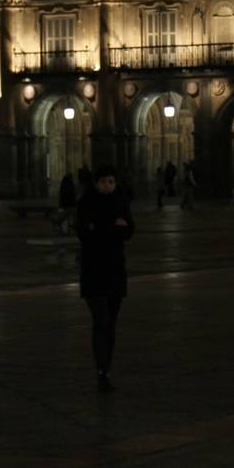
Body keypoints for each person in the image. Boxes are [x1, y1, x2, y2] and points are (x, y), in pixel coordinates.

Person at [76, 164, 134, 392]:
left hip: (115, 272)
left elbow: (129, 230)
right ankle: (101, 369)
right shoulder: (86, 203)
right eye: (103, 182)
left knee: (110, 324)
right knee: (101, 321)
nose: (107, 186)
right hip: (92, 272)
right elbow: (84, 233)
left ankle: (106, 368)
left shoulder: (121, 201)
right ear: (95, 183)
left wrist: (100, 228)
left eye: (110, 181)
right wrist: (113, 227)